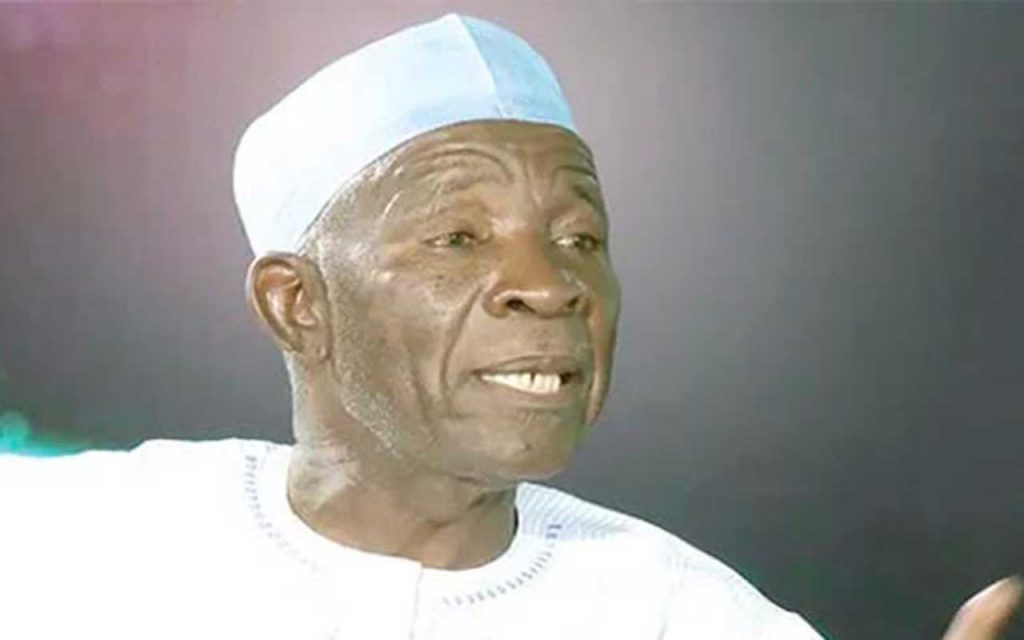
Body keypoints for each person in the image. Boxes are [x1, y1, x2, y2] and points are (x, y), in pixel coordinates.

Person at [0, 13, 1018, 640]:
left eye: (580, 239)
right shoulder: (65, 539)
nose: (549, 286)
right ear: (296, 304)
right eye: (457, 237)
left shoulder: (692, 619)